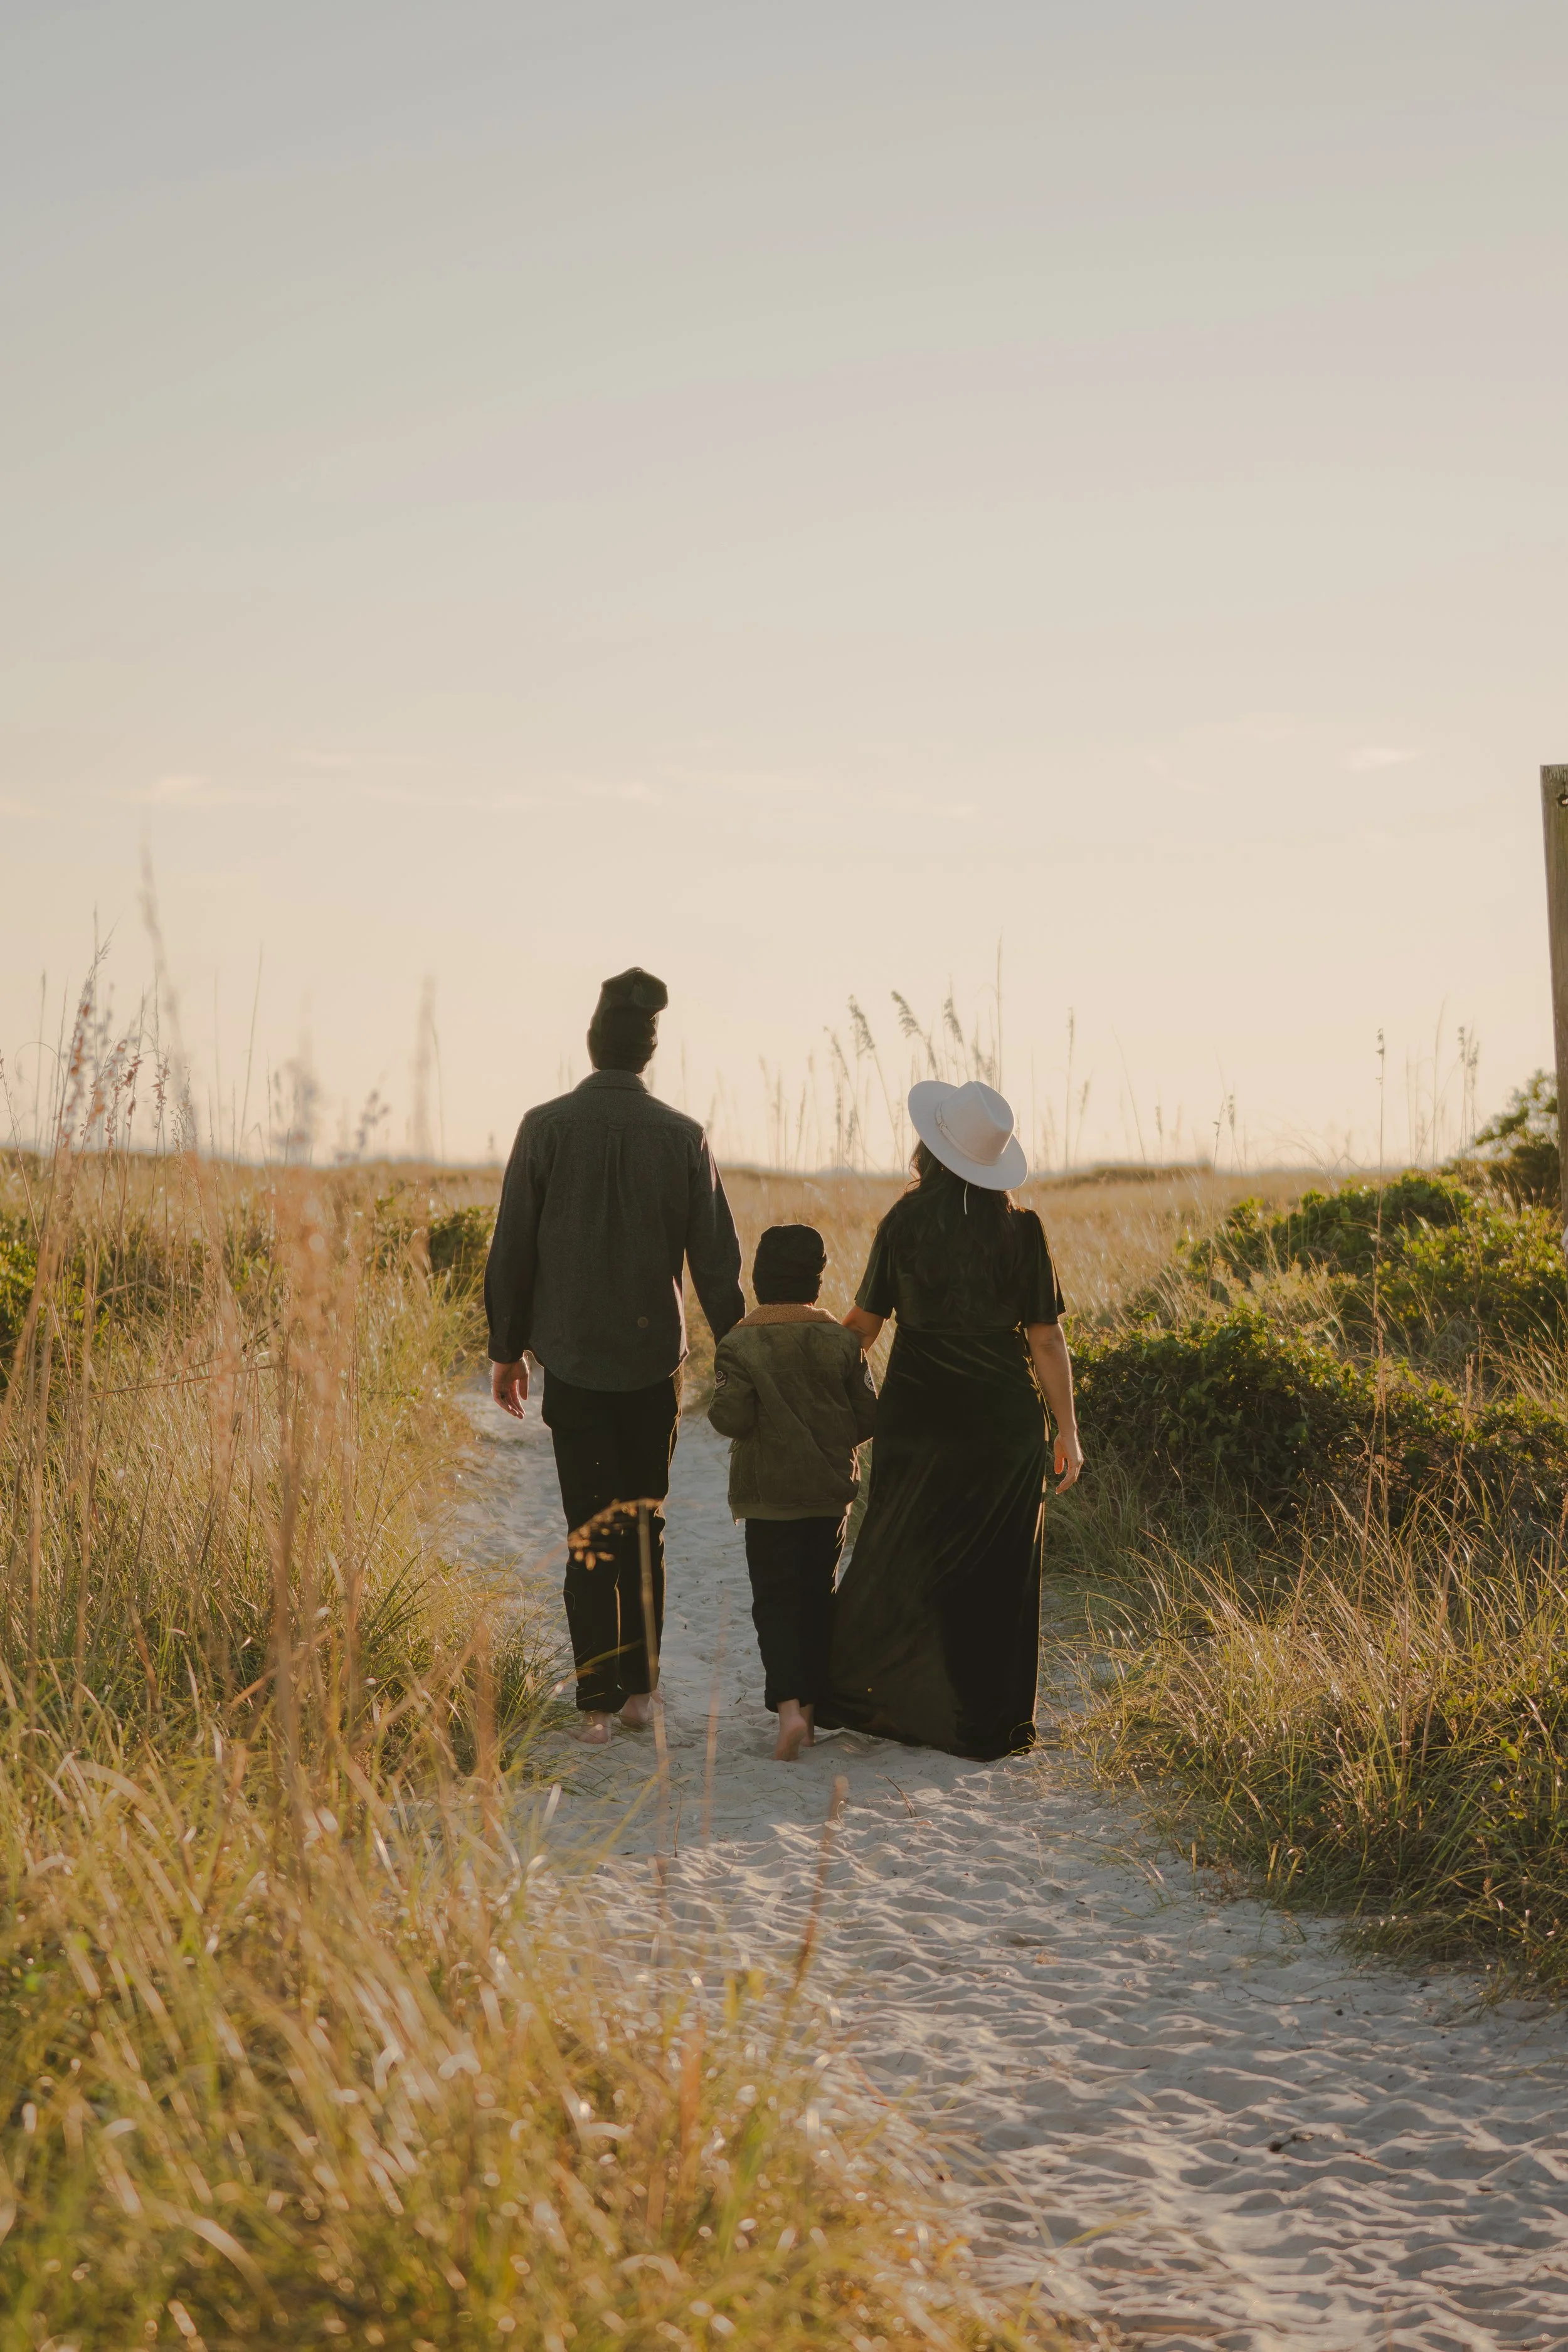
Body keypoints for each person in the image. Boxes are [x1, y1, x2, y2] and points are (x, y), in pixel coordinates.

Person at [485, 968, 745, 1744]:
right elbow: (717, 1262)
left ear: (593, 1043)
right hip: (653, 1362)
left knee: (586, 1528)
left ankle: (596, 1702)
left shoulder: (544, 1126)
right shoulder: (683, 1135)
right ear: (647, 1053)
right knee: (644, 1527)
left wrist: (507, 1349)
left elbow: (512, 1248)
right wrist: (736, 1353)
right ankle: (640, 1693)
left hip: (569, 1357)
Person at [818, 1078, 1083, 1761]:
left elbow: (863, 1327)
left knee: (899, 1555)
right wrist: (1068, 1431)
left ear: (929, 1147)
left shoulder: (902, 1222)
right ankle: (986, 1727)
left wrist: (805, 1365)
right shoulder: (1023, 1230)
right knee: (998, 1576)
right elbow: (1046, 1339)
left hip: (917, 1419)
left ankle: (871, 1699)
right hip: (1002, 1427)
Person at [707, 1224, 879, 1761]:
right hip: (829, 1493)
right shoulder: (840, 1341)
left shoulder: (739, 1342)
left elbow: (731, 1419)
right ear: (817, 1281)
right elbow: (868, 1415)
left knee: (775, 1601)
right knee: (816, 1596)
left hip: (767, 1496)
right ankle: (809, 1710)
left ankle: (786, 1711)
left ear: (758, 1281)